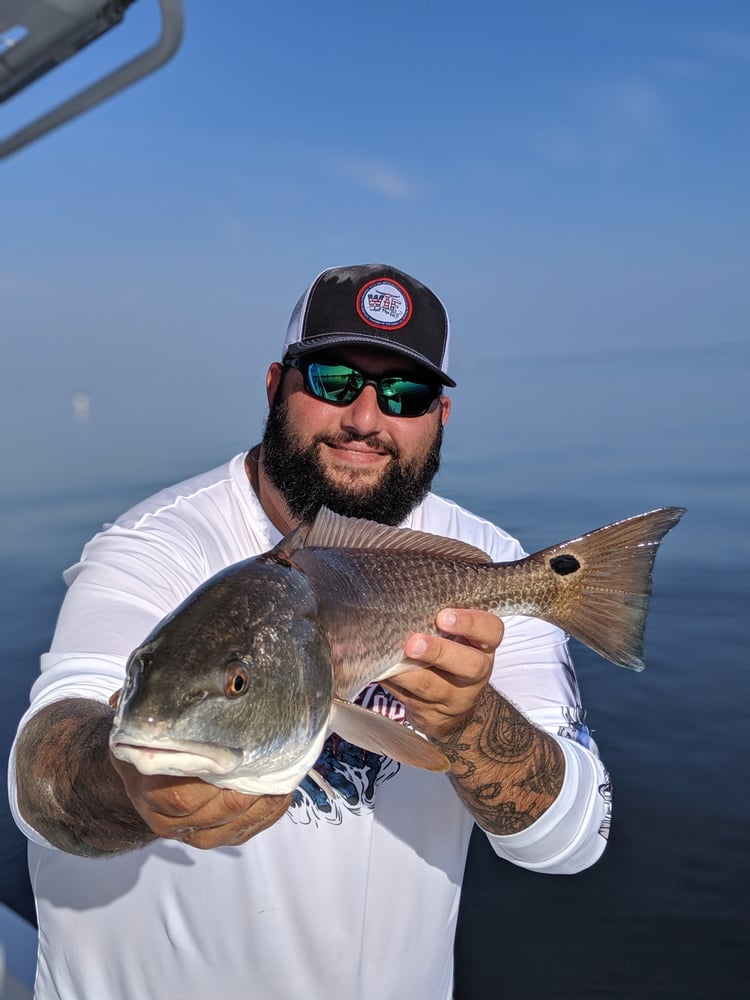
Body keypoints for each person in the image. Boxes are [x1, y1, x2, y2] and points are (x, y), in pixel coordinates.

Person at [9, 264, 611, 1000]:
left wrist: (470, 719)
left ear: (441, 417)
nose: (365, 417)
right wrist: (129, 786)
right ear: (275, 385)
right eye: (332, 379)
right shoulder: (154, 547)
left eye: (406, 393)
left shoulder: (481, 566)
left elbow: (574, 841)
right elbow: (41, 774)